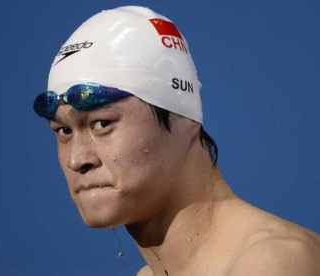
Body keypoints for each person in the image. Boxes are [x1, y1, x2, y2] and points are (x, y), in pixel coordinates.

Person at [33, 6, 320, 276]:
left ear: (184, 117)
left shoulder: (273, 263)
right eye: (63, 132)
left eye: (103, 124)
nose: (77, 160)